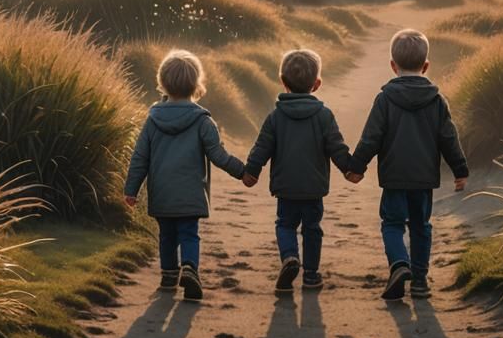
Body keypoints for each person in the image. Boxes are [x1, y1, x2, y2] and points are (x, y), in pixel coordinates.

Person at [345, 29, 469, 301]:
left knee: (392, 224)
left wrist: (357, 166)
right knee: (421, 226)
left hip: (394, 177)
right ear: (426, 66)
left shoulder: (385, 99)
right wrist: (460, 170)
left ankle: (399, 264)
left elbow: (371, 137)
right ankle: (421, 281)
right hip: (423, 179)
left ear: (393, 66)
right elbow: (449, 138)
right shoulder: (437, 101)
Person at [124, 49, 245, 302]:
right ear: (196, 84)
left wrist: (131, 189)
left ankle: (169, 276)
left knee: (167, 235)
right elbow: (218, 155)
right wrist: (243, 172)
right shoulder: (203, 121)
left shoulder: (152, 120)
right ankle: (190, 267)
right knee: (189, 233)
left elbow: (140, 158)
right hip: (191, 193)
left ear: (162, 82)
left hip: (162, 193)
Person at [241, 49, 351, 292]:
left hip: (286, 186)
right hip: (313, 188)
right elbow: (337, 147)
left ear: (283, 82)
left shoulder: (275, 117)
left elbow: (262, 147)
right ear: (317, 84)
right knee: (312, 229)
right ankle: (311, 274)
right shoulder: (324, 116)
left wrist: (251, 171)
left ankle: (290, 257)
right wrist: (349, 169)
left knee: (285, 224)